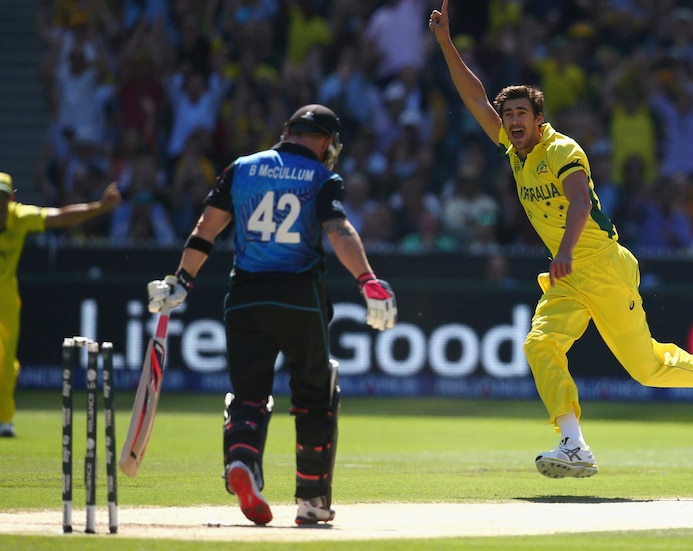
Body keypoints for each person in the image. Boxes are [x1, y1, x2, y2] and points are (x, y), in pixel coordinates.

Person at [429, 0, 693, 480]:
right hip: (566, 275)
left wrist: (562, 252)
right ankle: (573, 443)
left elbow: (579, 203)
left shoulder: (562, 148)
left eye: (521, 112)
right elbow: (474, 97)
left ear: (538, 118)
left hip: (600, 264)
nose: (513, 121)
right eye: (508, 114)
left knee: (645, 369)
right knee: (540, 345)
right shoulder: (512, 151)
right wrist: (445, 43)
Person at [145, 104, 397, 525]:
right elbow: (338, 229)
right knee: (317, 395)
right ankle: (312, 501)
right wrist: (367, 279)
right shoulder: (321, 177)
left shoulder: (241, 168)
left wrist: (182, 281)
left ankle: (242, 462)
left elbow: (206, 228)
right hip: (299, 297)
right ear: (324, 140)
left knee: (248, 396)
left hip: (245, 297)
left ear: (288, 131)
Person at [0, 172, 121, 438]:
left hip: (5, 295)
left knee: (5, 361)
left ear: (12, 198)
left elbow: (62, 216)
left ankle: (4, 419)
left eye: (2, 198)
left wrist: (99, 207)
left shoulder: (20, 218)